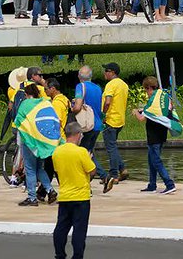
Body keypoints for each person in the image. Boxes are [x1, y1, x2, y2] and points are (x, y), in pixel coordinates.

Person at [52, 122, 98, 259]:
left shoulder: (57, 152)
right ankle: (77, 256)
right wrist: (90, 159)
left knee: (61, 227)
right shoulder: (81, 152)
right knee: (79, 230)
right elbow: (92, 171)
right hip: (81, 197)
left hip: (65, 196)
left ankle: (59, 254)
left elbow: (57, 173)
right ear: (78, 135)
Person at [133, 76, 177, 194]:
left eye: (145, 90)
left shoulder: (153, 100)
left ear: (148, 88)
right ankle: (152, 185)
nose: (146, 93)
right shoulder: (163, 97)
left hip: (154, 136)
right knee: (151, 160)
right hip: (162, 133)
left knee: (156, 160)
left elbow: (142, 118)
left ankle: (169, 183)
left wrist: (136, 112)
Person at [100, 62, 129, 190]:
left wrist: (103, 114)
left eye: (106, 71)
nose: (104, 73)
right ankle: (122, 169)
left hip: (110, 120)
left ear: (112, 72)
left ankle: (114, 175)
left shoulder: (111, 84)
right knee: (113, 146)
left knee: (110, 148)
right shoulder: (124, 85)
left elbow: (107, 102)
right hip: (120, 120)